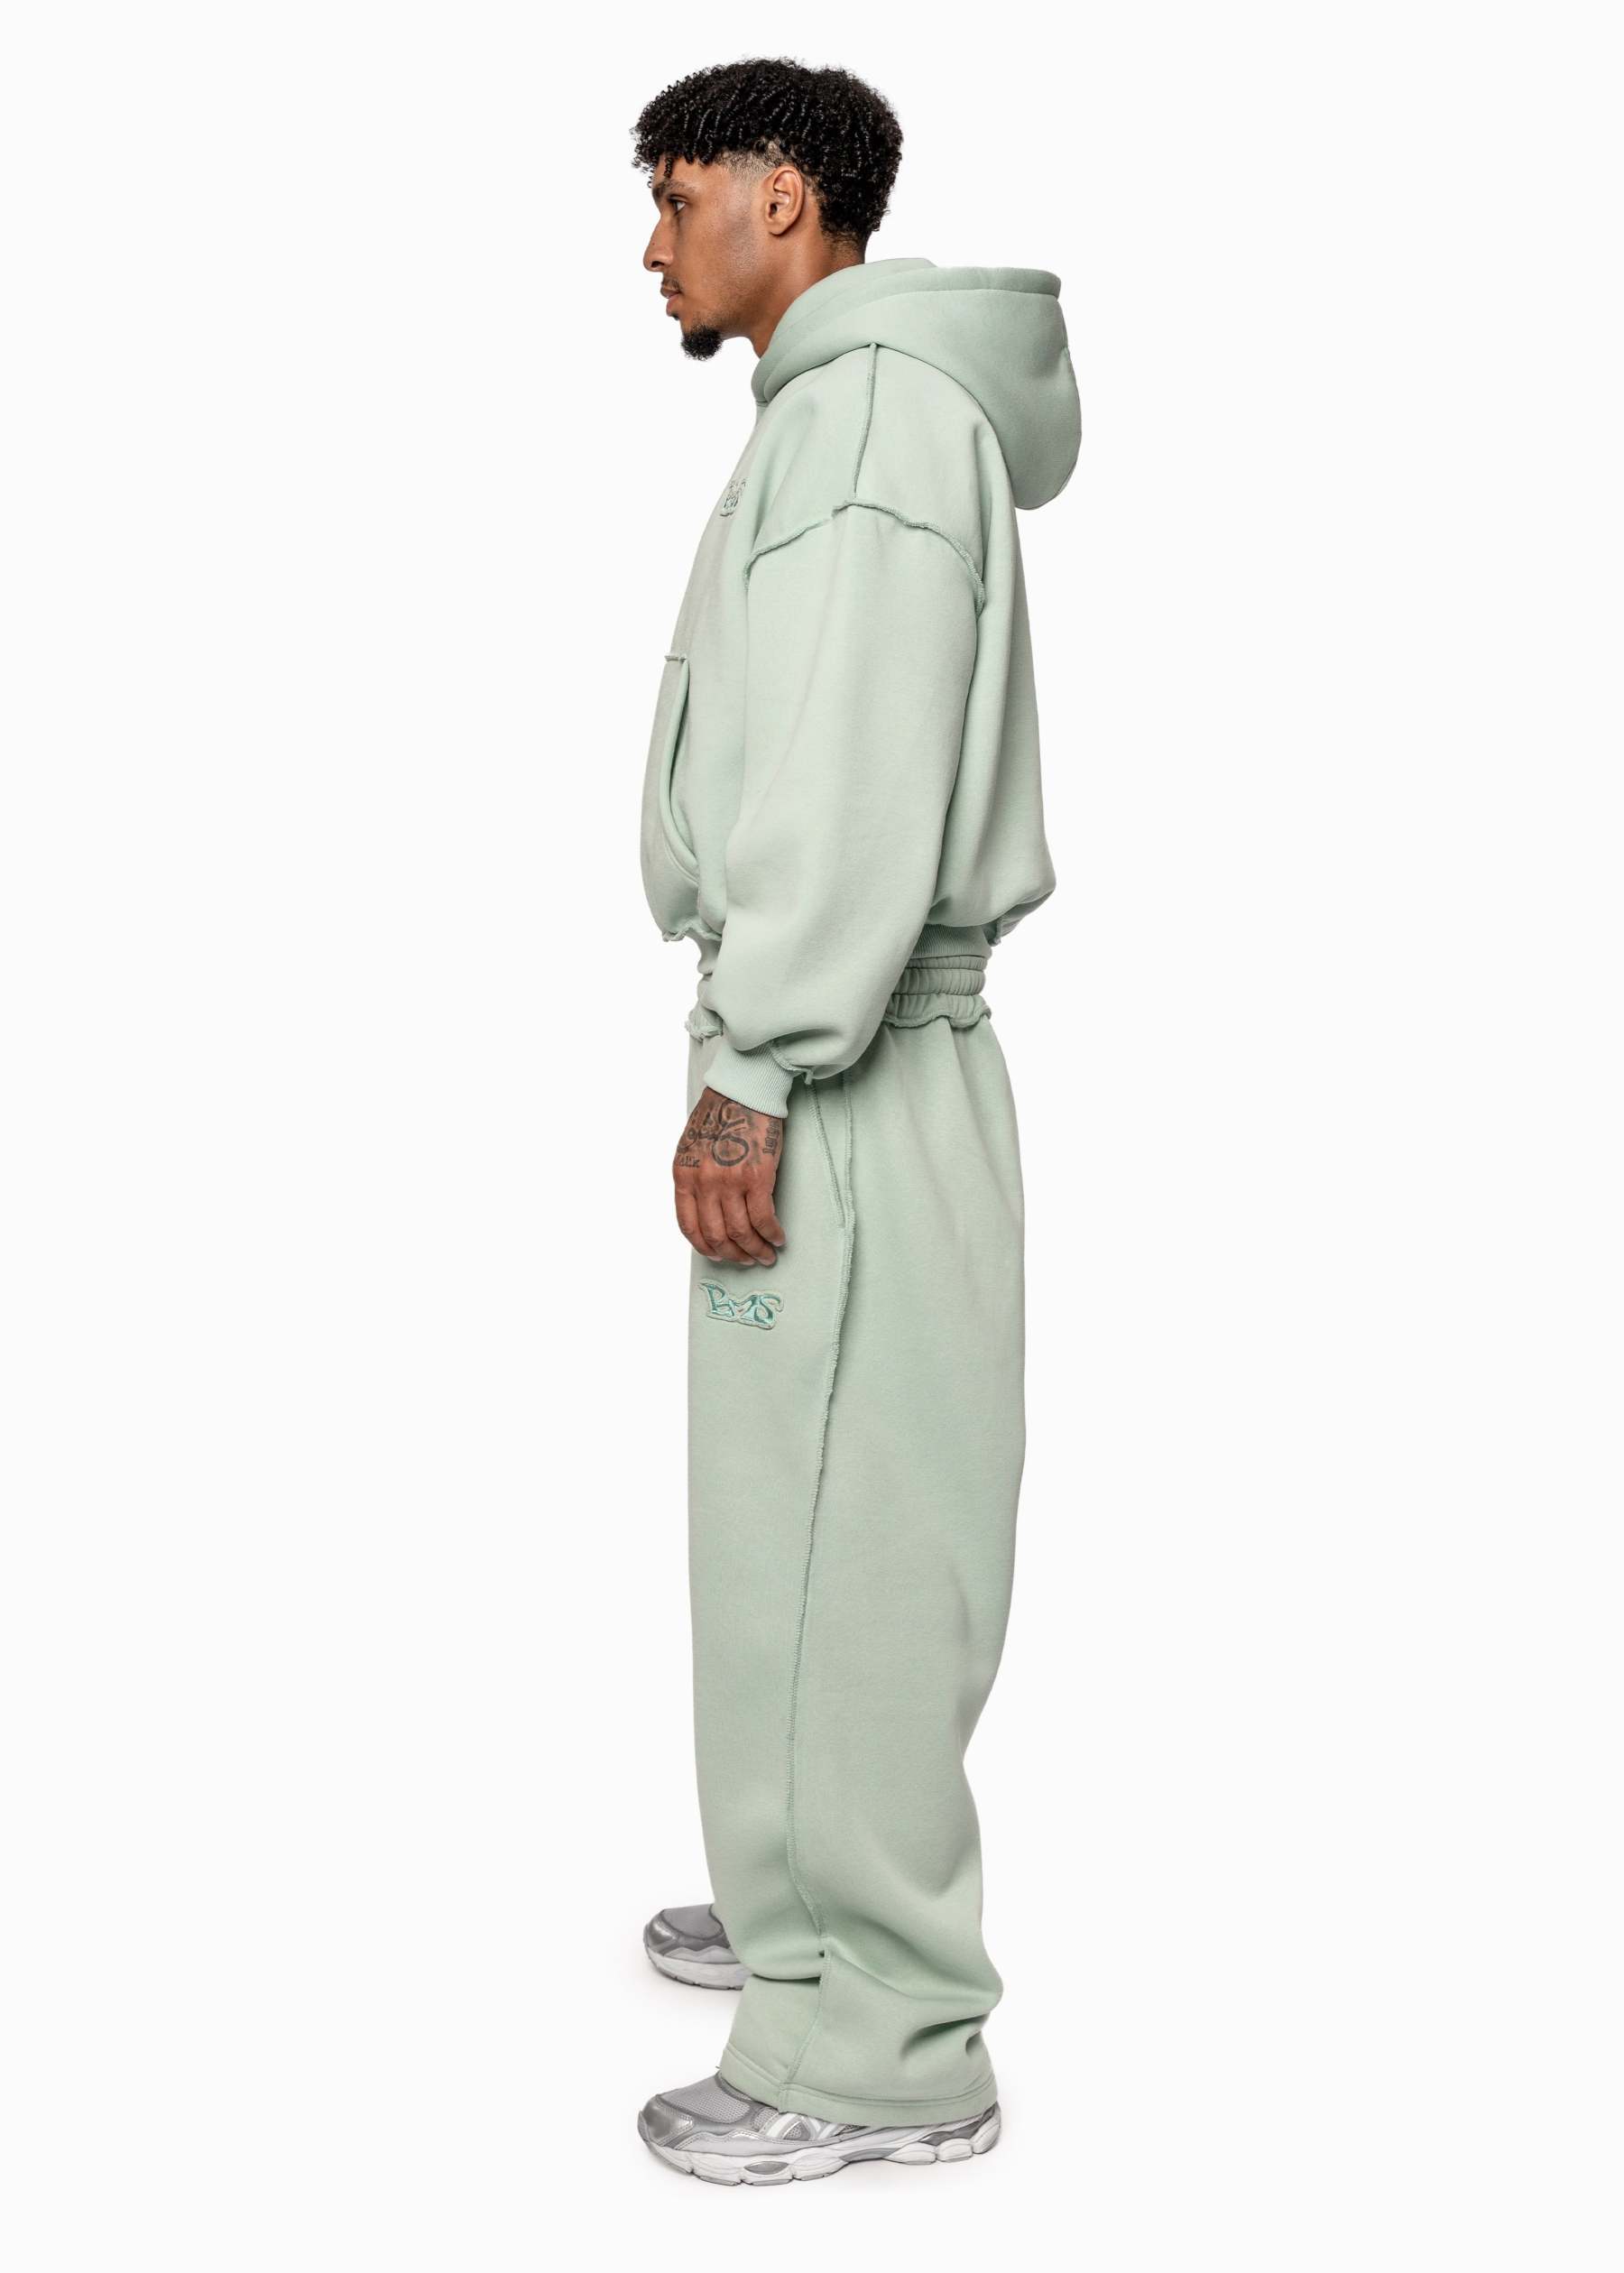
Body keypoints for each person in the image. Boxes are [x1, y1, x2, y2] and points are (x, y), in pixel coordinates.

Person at [628, 57, 1078, 2186]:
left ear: (784, 199)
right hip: (821, 1037)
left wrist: (757, 1057)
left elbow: (849, 772)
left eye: (678, 198)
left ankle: (885, 2043)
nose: (654, 244)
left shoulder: (877, 423)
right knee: (780, 1521)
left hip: (848, 1051)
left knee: (865, 1540)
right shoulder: (835, 413)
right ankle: (805, 1907)